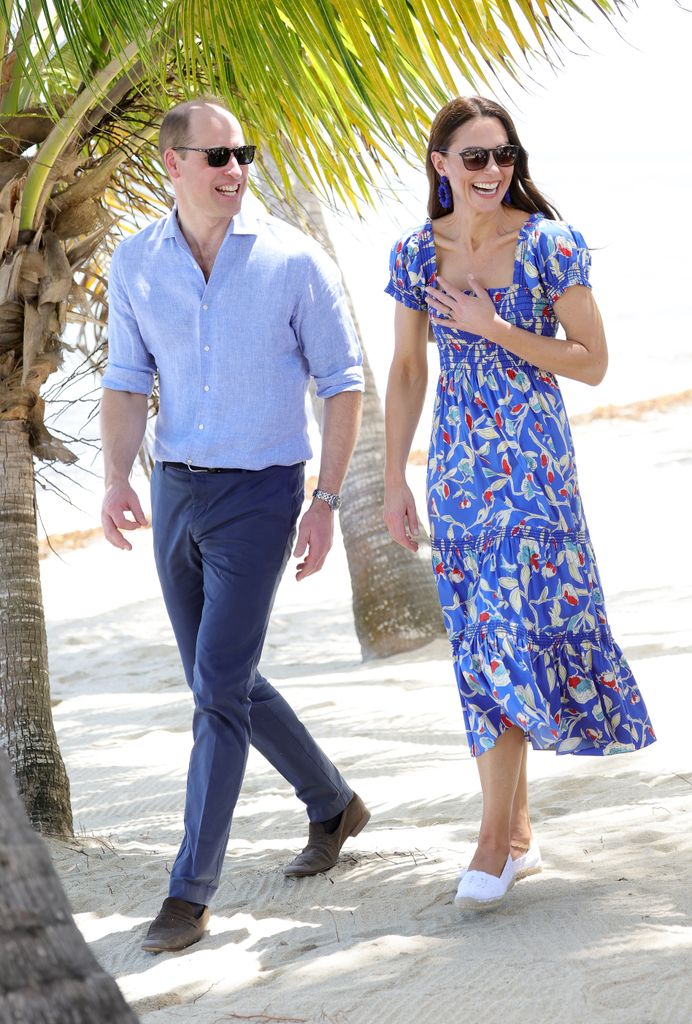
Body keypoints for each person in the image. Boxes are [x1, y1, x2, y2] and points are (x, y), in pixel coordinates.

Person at [100, 97, 370, 953]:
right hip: (176, 490)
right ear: (173, 165)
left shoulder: (293, 259)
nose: (234, 171)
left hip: (261, 495)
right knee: (224, 679)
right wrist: (113, 478)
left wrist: (324, 503)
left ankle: (188, 893)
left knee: (217, 688)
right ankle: (332, 803)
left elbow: (342, 383)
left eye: (241, 154)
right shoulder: (136, 262)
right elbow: (124, 378)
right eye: (215, 157)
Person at [383, 95, 655, 910]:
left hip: (534, 477)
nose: (494, 171)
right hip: (460, 479)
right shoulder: (412, 255)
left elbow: (594, 362)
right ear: (440, 165)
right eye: (475, 158)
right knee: (483, 647)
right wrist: (393, 475)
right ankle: (521, 835)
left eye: (504, 156)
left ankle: (492, 843)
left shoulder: (545, 247)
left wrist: (493, 326)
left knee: (510, 637)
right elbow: (405, 372)